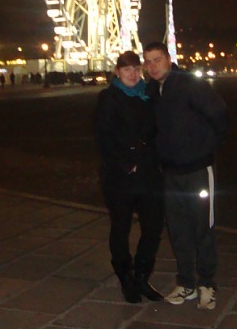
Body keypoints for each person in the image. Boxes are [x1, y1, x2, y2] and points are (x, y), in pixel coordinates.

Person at [142, 41, 228, 310]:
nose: (153, 66)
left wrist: (205, 148)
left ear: (169, 59)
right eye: (148, 61)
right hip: (170, 173)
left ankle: (207, 284)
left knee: (203, 227)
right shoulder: (152, 91)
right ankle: (186, 283)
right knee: (177, 229)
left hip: (197, 170)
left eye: (157, 59)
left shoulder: (190, 84)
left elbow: (219, 115)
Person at [96, 51, 165, 303]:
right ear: (117, 72)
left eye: (136, 68)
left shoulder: (150, 94)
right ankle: (125, 277)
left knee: (153, 225)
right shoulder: (109, 98)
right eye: (127, 69)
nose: (133, 74)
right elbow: (104, 136)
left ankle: (142, 276)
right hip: (121, 175)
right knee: (121, 226)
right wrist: (127, 164)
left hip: (149, 172)